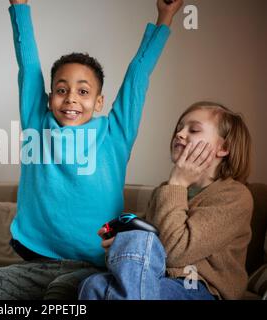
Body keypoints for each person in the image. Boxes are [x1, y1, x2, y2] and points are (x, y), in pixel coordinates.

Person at [0, 0, 183, 299]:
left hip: (91, 266)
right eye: (62, 90)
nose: (71, 98)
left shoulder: (115, 133)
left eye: (84, 91)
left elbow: (137, 76)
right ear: (49, 98)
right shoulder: (38, 122)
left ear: (99, 102)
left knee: (61, 295)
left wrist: (164, 18)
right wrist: (20, 7)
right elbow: (29, 66)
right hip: (36, 261)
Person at [79, 101, 253, 300]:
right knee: (93, 284)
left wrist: (177, 182)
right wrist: (120, 240)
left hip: (199, 286)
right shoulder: (165, 191)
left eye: (193, 130)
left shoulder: (234, 196)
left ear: (224, 148)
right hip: (156, 278)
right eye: (179, 128)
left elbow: (175, 252)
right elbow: (151, 243)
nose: (180, 134)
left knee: (136, 246)